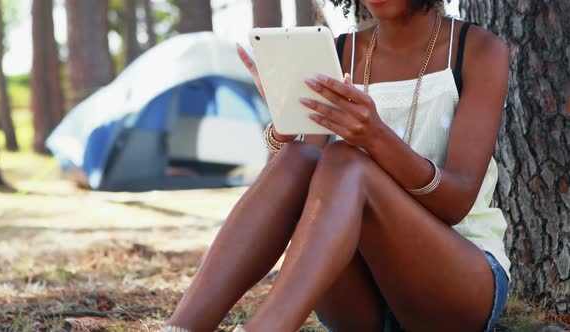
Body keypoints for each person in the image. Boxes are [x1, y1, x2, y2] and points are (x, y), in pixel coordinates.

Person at [161, 0, 511, 331]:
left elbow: (457, 202)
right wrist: (284, 129)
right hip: (360, 299)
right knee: (301, 158)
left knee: (347, 162)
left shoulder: (478, 50)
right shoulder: (337, 52)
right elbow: (290, 188)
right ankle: (181, 326)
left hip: (455, 286)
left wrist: (377, 138)